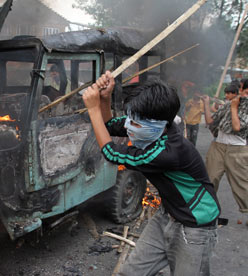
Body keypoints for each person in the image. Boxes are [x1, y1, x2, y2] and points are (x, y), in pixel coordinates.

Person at [83, 71, 220, 276]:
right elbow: (109, 126)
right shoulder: (152, 124)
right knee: (129, 273)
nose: (129, 126)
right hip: (167, 215)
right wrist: (104, 98)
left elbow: (110, 153)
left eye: (135, 123)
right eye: (130, 119)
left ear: (159, 124)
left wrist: (93, 109)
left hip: (195, 227)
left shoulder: (168, 153)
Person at [202, 78, 248, 237]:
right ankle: (206, 215)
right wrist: (206, 103)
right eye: (247, 92)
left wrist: (234, 106)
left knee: (244, 184)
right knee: (209, 180)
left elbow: (236, 127)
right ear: (241, 89)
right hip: (218, 147)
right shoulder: (229, 103)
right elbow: (210, 121)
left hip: (238, 150)